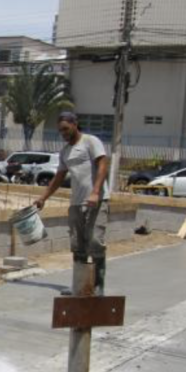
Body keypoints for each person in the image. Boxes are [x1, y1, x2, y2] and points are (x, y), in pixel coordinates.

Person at [34, 111, 110, 295]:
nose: (64, 133)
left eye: (66, 129)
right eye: (61, 131)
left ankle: (98, 286)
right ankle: (79, 285)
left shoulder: (90, 142)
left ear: (75, 124)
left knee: (94, 241)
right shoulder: (65, 152)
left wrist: (95, 192)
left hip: (96, 200)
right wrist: (43, 197)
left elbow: (102, 165)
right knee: (78, 244)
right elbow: (59, 177)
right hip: (76, 204)